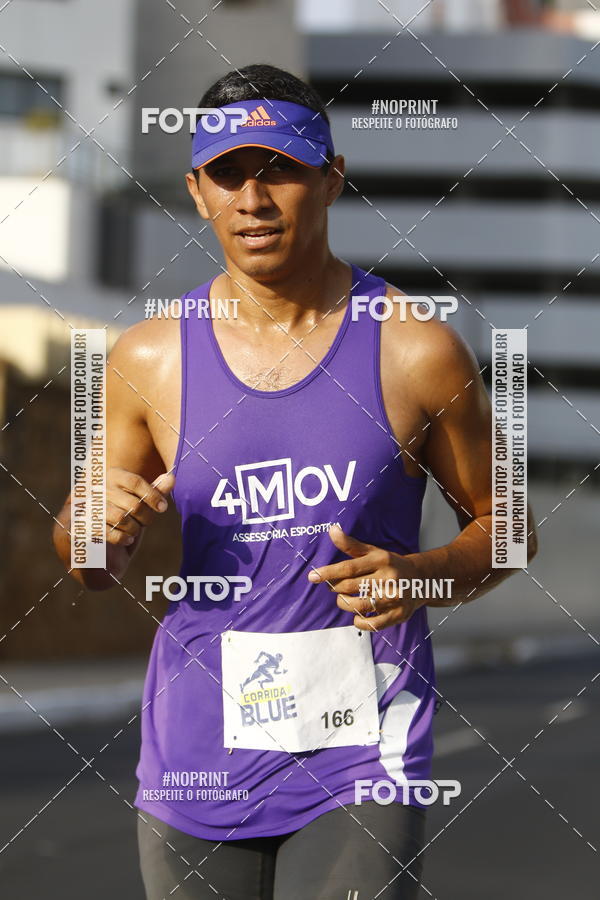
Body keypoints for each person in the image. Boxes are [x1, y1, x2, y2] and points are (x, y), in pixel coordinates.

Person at [53, 63, 537, 900]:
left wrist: (424, 574)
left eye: (280, 168)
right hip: (195, 756)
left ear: (332, 178)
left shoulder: (415, 348)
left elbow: (511, 528)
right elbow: (88, 559)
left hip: (361, 751)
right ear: (198, 190)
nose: (254, 198)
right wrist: (93, 525)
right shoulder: (146, 359)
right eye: (229, 174)